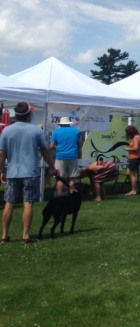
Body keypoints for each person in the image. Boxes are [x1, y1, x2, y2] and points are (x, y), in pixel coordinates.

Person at [0, 102, 55, 244]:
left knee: (9, 203)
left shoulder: (6, 131)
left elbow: (1, 154)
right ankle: (25, 235)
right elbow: (45, 151)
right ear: (29, 114)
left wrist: (2, 171)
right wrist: (52, 166)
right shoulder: (36, 131)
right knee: (28, 203)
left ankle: (4, 235)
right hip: (30, 172)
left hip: (13, 172)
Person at [49, 116, 83, 196]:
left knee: (60, 178)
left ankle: (60, 196)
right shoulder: (76, 131)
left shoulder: (56, 132)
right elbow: (80, 144)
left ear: (60, 124)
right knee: (72, 178)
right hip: (73, 156)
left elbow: (51, 146)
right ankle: (71, 196)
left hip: (60, 157)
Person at [123, 125, 140, 196]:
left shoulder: (136, 138)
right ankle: (135, 187)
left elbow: (136, 148)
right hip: (134, 158)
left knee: (132, 174)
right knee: (128, 173)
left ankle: (134, 190)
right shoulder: (138, 137)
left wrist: (127, 149)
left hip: (135, 158)